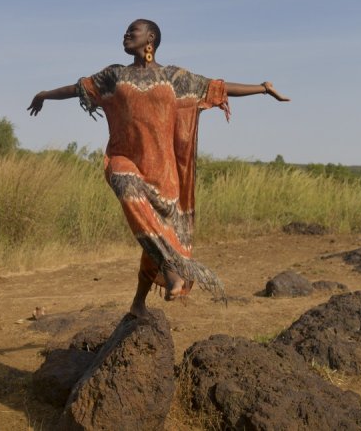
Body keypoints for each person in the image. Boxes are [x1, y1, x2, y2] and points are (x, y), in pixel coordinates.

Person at [28, 19, 289, 318]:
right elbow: (77, 89)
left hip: (164, 175)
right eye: (126, 31)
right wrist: (44, 94)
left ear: (150, 38)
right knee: (126, 185)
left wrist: (263, 89)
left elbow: (216, 87)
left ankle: (138, 302)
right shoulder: (114, 75)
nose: (126, 34)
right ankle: (171, 268)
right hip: (123, 158)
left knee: (152, 236)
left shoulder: (174, 77)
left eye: (133, 31)